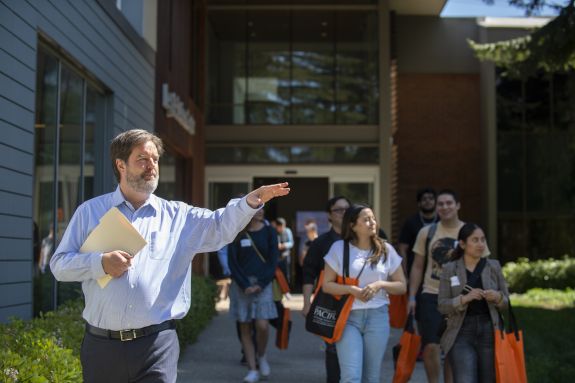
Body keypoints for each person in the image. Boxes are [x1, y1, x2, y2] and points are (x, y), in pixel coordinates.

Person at [49, 129, 290, 383]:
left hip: (157, 346)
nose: (151, 165)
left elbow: (220, 227)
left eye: (155, 159)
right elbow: (59, 265)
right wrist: (100, 263)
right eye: (142, 159)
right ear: (120, 164)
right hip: (101, 347)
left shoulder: (179, 216)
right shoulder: (90, 212)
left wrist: (250, 202)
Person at [408, 189, 489, 383]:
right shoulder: (427, 232)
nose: (444, 207)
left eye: (449, 203)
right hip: (431, 294)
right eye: (440, 204)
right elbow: (418, 266)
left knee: (454, 348)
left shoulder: (472, 232)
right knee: (431, 346)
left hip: (461, 298)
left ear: (458, 205)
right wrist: (411, 297)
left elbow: (484, 266)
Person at [322, 204, 406, 383]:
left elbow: (401, 286)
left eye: (373, 218)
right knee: (351, 376)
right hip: (348, 317)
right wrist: (351, 290)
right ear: (352, 225)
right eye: (366, 219)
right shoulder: (339, 248)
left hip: (378, 317)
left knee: (371, 377)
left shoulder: (385, 249)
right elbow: (326, 285)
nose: (372, 222)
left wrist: (380, 284)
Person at [438, 223, 509, 383]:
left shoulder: (494, 266)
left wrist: (497, 297)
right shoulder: (450, 269)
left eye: (483, 240)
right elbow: (442, 305)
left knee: (488, 379)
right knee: (465, 380)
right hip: (460, 332)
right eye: (475, 240)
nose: (481, 244)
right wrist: (464, 299)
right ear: (462, 244)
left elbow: (506, 302)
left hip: (489, 330)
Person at [302, 195, 350, 383]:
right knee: (332, 346)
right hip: (331, 302)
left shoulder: (360, 238)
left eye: (347, 209)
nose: (343, 213)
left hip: (358, 301)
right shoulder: (321, 242)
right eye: (338, 210)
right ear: (329, 216)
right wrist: (307, 303)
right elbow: (308, 274)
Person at [228, 208, 279, 383]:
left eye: (263, 207)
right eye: (256, 208)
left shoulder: (270, 231)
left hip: (263, 284)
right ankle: (252, 369)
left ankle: (262, 355)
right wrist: (245, 285)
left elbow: (273, 261)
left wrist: (260, 284)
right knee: (245, 327)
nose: (261, 211)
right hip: (241, 286)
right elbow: (232, 263)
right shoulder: (237, 232)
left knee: (262, 325)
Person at [398, 187, 438, 278]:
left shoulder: (442, 221)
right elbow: (402, 248)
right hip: (415, 269)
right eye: (424, 199)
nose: (428, 201)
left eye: (431, 198)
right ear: (419, 203)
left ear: (436, 202)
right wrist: (405, 272)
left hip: (437, 270)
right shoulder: (411, 222)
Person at [275, 217, 294, 282]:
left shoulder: (287, 231)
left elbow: (291, 243)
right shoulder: (275, 232)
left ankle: (287, 289)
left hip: (285, 255)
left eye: (282, 226)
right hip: (276, 256)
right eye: (279, 227)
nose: (281, 229)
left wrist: (284, 245)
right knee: (277, 273)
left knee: (286, 273)